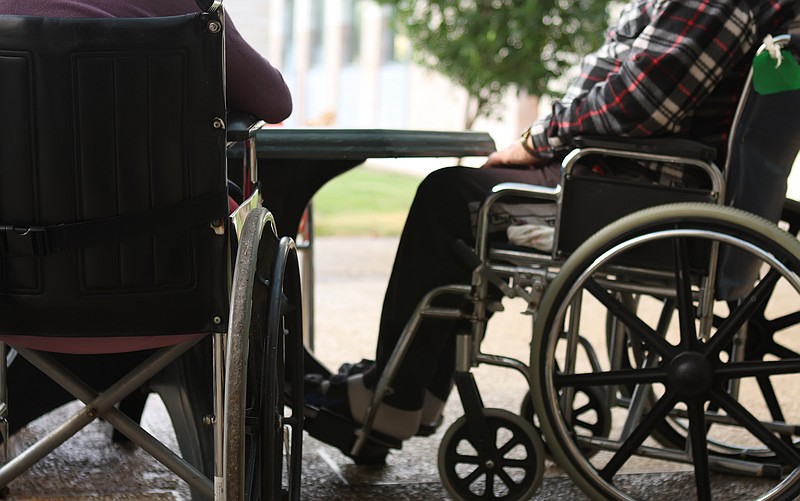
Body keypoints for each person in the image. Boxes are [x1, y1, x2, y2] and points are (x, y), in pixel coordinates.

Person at [306, 0, 800, 452]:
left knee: (449, 198)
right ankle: (413, 389)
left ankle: (395, 396)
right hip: (642, 178)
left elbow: (643, 101)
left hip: (635, 184)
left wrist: (537, 139)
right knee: (468, 196)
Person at [0, 0, 292, 437]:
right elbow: (274, 102)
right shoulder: (187, 7)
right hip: (173, 285)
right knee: (227, 215)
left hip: (14, 288)